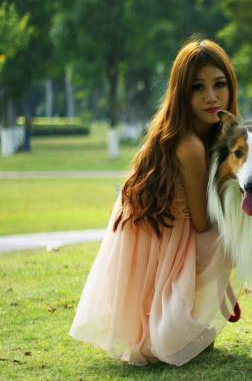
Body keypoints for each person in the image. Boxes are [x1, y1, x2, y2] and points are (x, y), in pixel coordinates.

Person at [70, 38, 241, 366]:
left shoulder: (193, 133)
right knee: (232, 234)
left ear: (231, 87)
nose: (211, 97)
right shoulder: (190, 145)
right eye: (198, 88)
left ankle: (181, 327)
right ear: (181, 93)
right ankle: (172, 331)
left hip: (159, 233)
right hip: (166, 236)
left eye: (219, 85)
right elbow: (202, 223)